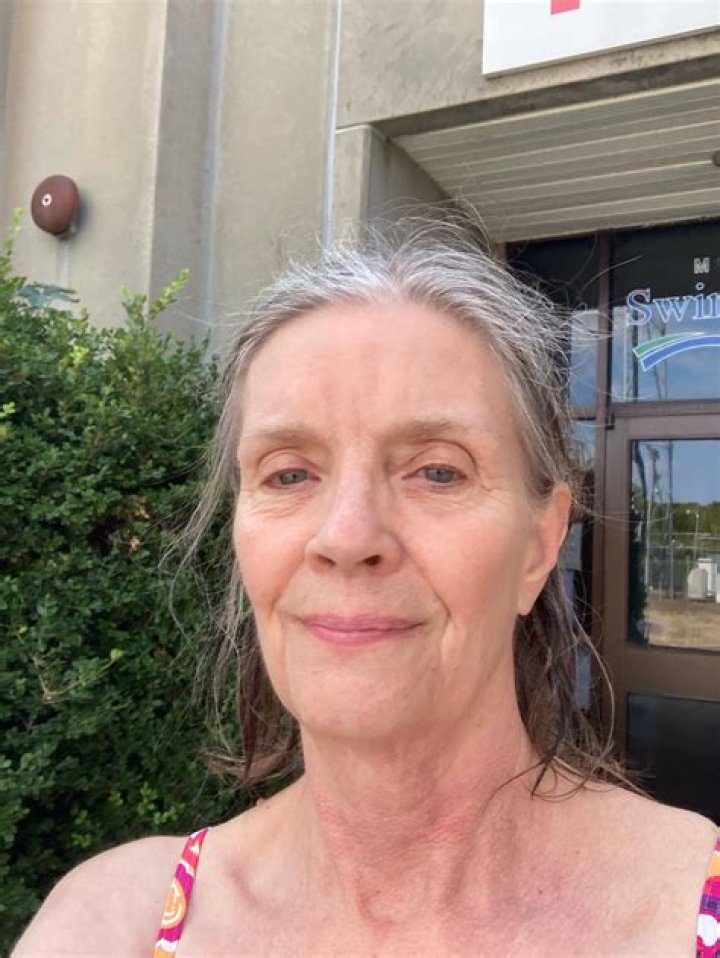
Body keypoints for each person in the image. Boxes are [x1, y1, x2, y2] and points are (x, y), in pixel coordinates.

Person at [14, 217, 719, 957]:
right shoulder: (112, 925)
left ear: (540, 545)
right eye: (289, 474)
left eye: (438, 471)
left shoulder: (681, 912)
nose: (346, 537)